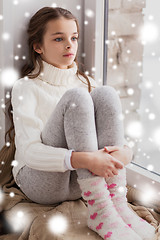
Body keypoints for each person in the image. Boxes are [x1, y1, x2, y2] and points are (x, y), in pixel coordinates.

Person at [11, 7, 155, 240]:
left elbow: (115, 138)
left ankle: (117, 204)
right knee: (77, 98)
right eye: (59, 38)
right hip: (40, 181)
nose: (70, 45)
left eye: (74, 37)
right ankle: (100, 210)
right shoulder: (26, 88)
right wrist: (85, 159)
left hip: (82, 181)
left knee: (106, 93)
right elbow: (29, 153)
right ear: (38, 46)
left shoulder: (87, 82)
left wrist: (126, 153)